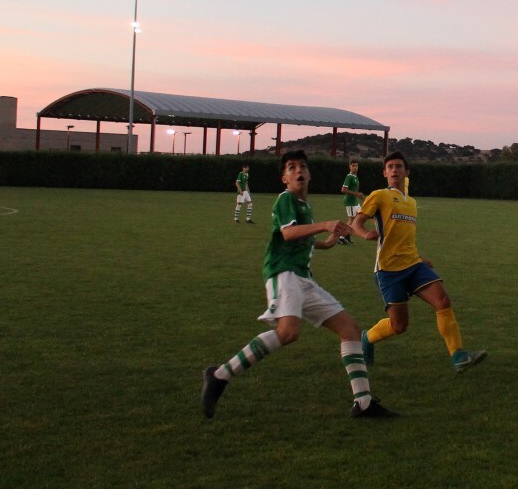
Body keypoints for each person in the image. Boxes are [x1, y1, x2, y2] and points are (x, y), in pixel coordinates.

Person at [201, 150, 396, 420]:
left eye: (302, 166)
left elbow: (301, 238)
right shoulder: (285, 199)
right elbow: (288, 233)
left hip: (303, 278)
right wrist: (325, 225)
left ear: (309, 174)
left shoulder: (304, 206)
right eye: (291, 168)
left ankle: (363, 403)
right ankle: (219, 375)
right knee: (288, 332)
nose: (298, 170)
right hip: (284, 274)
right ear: (285, 178)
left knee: (350, 329)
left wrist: (325, 243)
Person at [352, 151, 487, 373]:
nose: (395, 170)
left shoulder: (411, 202)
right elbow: (357, 222)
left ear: (406, 173)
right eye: (391, 167)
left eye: (399, 167)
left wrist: (420, 258)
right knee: (399, 325)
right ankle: (366, 338)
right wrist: (365, 234)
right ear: (385, 173)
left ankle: (459, 356)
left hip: (414, 265)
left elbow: (404, 236)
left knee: (442, 301)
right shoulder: (379, 196)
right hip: (388, 270)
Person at [338, 159, 364, 245]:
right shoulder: (349, 176)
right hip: (350, 201)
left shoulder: (355, 177)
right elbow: (343, 189)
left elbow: (355, 191)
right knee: (351, 220)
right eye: (353, 165)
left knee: (359, 217)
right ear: (350, 167)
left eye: (356, 165)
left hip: (355, 201)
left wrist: (362, 198)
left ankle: (347, 235)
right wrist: (357, 194)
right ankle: (341, 237)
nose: (355, 167)